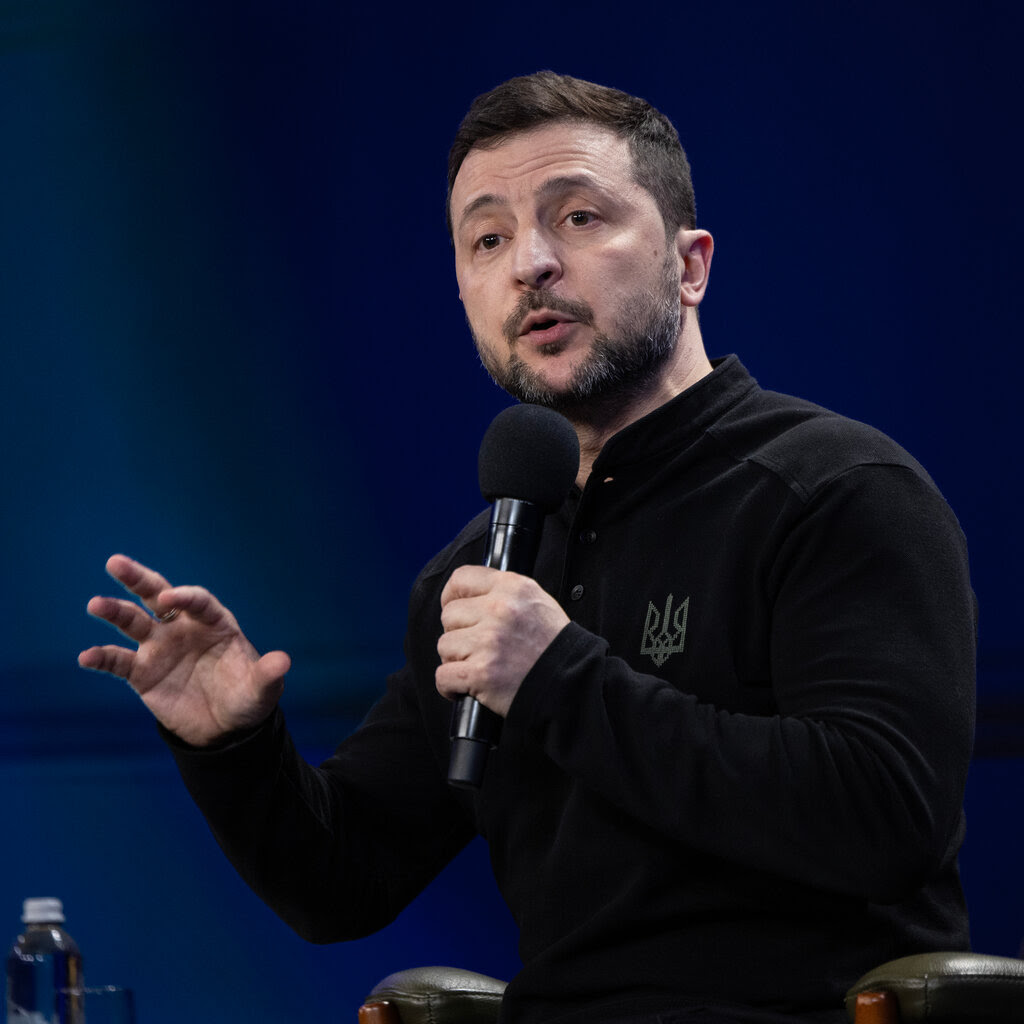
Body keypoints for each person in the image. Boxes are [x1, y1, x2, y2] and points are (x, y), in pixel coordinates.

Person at [79, 72, 976, 1023]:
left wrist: (557, 679)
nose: (531, 265)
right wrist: (231, 748)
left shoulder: (836, 490)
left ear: (691, 265)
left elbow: (882, 817)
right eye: (489, 238)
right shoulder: (485, 570)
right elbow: (340, 882)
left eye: (580, 218)